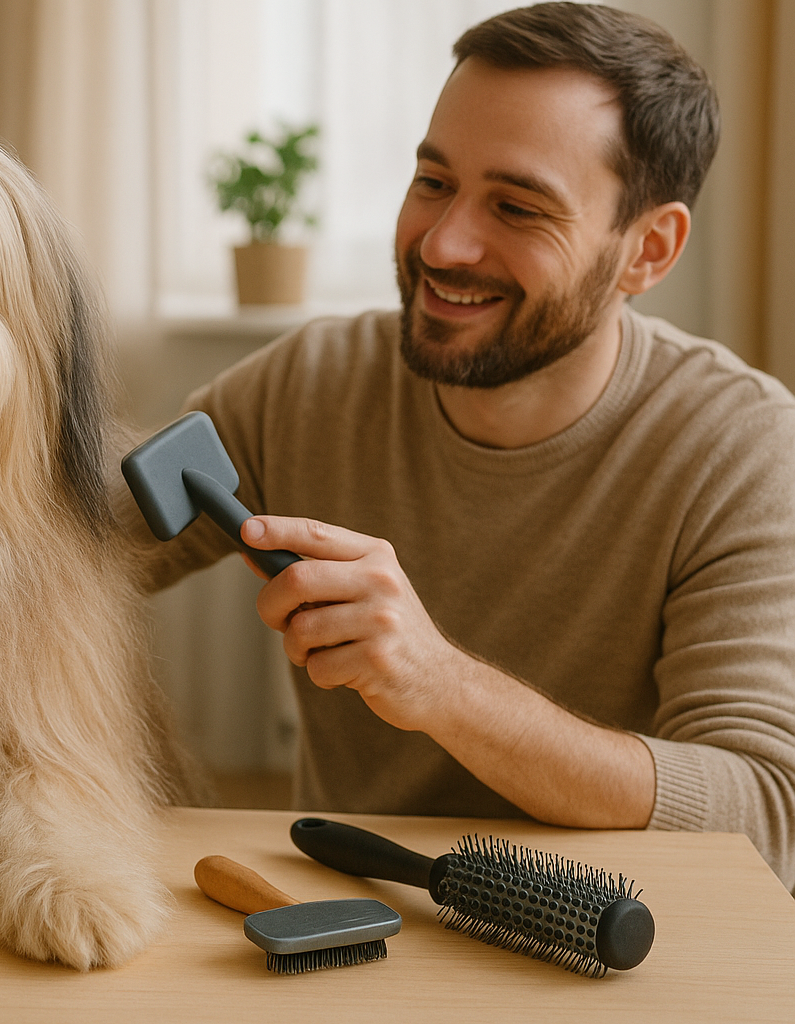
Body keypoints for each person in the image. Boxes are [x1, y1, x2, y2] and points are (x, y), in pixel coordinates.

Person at [132, 2, 795, 887]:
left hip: (618, 939)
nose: (443, 245)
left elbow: (764, 811)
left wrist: (443, 686)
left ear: (648, 249)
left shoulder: (746, 450)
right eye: (433, 182)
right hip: (350, 904)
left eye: (518, 207)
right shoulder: (308, 382)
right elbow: (54, 539)